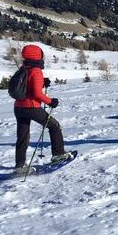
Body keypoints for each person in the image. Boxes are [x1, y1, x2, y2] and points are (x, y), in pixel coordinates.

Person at [13, 44, 72, 174]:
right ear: (37, 56)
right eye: (41, 54)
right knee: (54, 126)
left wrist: (42, 82)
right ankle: (58, 154)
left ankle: (19, 166)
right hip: (31, 107)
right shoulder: (36, 71)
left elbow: (27, 85)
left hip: (19, 107)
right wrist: (51, 102)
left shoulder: (24, 68)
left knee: (23, 136)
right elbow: (37, 94)